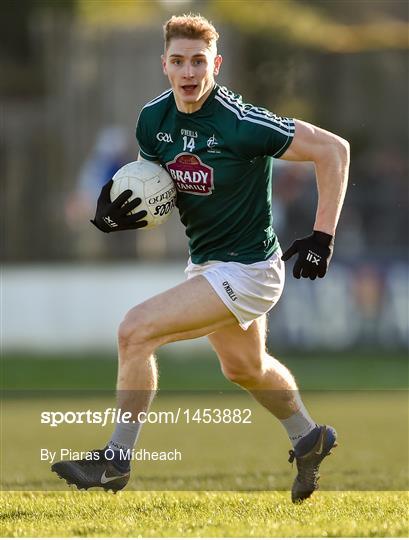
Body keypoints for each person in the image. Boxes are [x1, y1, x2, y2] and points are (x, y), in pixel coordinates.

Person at [52, 14, 349, 503]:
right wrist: (115, 217)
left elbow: (334, 151)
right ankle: (308, 437)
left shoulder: (242, 123)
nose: (188, 71)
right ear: (164, 65)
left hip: (250, 269)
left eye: (198, 60)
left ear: (216, 63)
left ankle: (115, 460)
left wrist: (323, 235)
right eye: (178, 61)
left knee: (135, 331)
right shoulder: (153, 122)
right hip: (209, 265)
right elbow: (156, 195)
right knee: (245, 369)